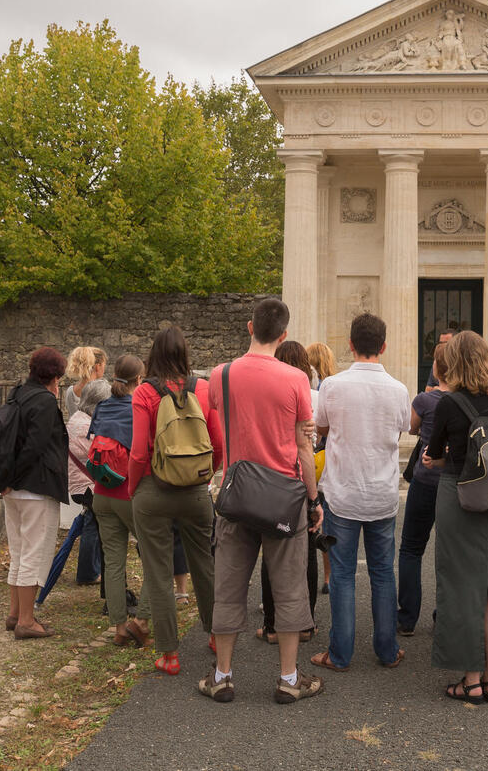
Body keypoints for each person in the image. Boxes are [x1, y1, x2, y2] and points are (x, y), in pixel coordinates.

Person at [203, 298, 324, 705]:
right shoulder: (295, 380)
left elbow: (218, 419)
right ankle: (289, 678)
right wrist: (313, 499)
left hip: (237, 494)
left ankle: (222, 675)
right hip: (284, 497)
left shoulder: (221, 375)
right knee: (289, 588)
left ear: (249, 326)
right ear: (285, 335)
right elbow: (304, 447)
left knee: (229, 585)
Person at [310, 314, 410, 673]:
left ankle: (340, 652)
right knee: (383, 572)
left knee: (342, 573)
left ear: (350, 344)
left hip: (342, 493)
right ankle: (387, 649)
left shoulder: (333, 386)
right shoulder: (399, 390)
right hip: (381, 492)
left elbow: (321, 428)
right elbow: (400, 431)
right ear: (383, 346)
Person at [423, 331, 488, 704]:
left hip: (458, 494)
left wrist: (438, 458)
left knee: (461, 585)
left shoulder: (449, 403)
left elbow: (435, 451)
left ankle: (470, 679)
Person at [127, 326, 222, 676]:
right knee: (205, 566)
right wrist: (205, 476)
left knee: (158, 571)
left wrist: (134, 488)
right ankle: (215, 635)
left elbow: (138, 453)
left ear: (152, 354)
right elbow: (219, 442)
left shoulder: (144, 393)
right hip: (195, 492)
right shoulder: (204, 388)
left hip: (154, 487)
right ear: (185, 353)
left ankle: (169, 655)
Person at [2, 347, 70, 640]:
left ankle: (15, 612)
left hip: (13, 489)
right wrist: (18, 476)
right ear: (54, 376)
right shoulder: (43, 400)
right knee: (33, 553)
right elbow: (36, 445)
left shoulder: (17, 393)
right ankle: (27, 621)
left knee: (18, 551)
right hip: (35, 485)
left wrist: (7, 478)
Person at [259, 340, 322, 643]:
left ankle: (272, 624)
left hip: (270, 479)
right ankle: (306, 623)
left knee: (270, 553)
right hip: (300, 476)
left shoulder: (267, 390)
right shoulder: (312, 395)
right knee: (306, 553)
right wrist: (314, 497)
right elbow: (310, 442)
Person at [90, 355, 152, 642]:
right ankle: (141, 621)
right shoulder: (138, 407)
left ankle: (118, 628)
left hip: (102, 494)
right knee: (155, 555)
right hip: (131, 494)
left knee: (113, 562)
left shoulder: (102, 406)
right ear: (139, 380)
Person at [35, 379, 111, 607]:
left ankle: (92, 577)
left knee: (88, 529)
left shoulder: (80, 418)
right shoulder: (87, 426)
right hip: (87, 487)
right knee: (105, 535)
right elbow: (99, 459)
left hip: (82, 485)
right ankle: (105, 587)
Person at [397, 341, 449, 636]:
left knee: (411, 549)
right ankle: (443, 614)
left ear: (435, 368)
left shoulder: (425, 400)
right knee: (448, 551)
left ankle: (406, 618)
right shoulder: (463, 400)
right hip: (450, 482)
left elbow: (412, 428)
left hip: (425, 481)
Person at [305, 340, 338, 594]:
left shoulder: (308, 387)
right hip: (327, 460)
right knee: (326, 522)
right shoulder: (335, 387)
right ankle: (328, 577)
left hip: (309, 460)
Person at [62, 346, 107, 418]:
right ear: (98, 366)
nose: (104, 369)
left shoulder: (70, 391)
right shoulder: (103, 391)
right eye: (104, 365)